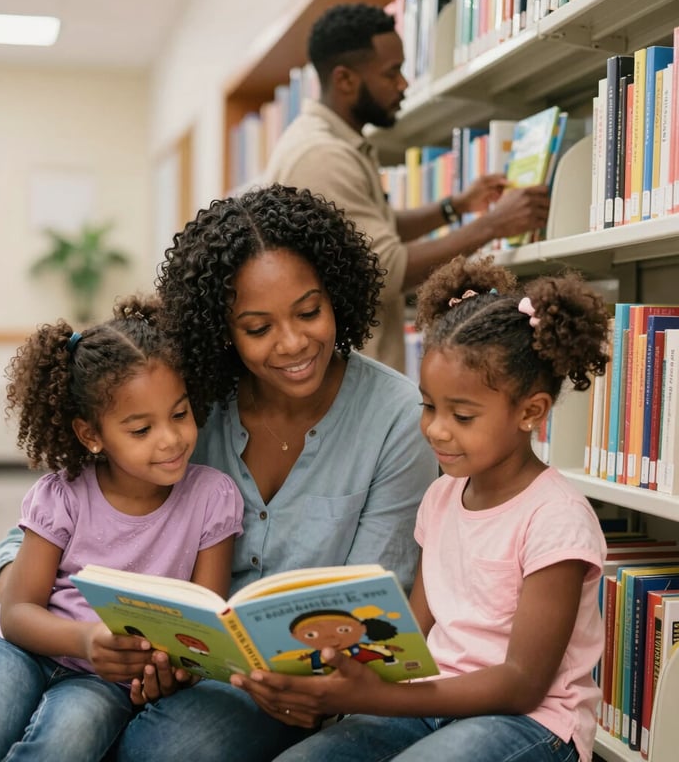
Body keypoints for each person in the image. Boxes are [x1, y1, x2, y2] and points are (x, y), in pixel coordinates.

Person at [0, 184, 437, 762]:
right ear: (223, 328)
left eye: (310, 311)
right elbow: (39, 534)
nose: (293, 343)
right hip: (146, 658)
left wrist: (326, 691)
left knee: (154, 747)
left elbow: (373, 607)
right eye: (258, 328)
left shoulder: (398, 418)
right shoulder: (188, 398)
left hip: (275, 680)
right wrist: (51, 615)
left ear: (338, 294)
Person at [231, 254, 610, 762]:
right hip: (429, 703)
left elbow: (521, 685)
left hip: (530, 724)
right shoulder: (442, 496)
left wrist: (377, 697)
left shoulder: (556, 520)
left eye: (463, 415)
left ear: (531, 412)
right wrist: (340, 677)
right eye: (429, 406)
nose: (435, 429)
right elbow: (411, 633)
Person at [0, 296, 244, 761]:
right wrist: (86, 640)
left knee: (63, 745)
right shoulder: (63, 495)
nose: (170, 439)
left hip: (106, 679)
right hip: (22, 652)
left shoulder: (213, 498)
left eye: (180, 414)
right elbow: (18, 612)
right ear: (91, 435)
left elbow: (203, 630)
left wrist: (176, 669)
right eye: (141, 429)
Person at [265, 2, 551, 373]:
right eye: (392, 73)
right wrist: (494, 225)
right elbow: (387, 269)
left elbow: (366, 232)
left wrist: (455, 206)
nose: (403, 84)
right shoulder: (323, 155)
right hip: (349, 386)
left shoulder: (330, 142)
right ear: (345, 80)